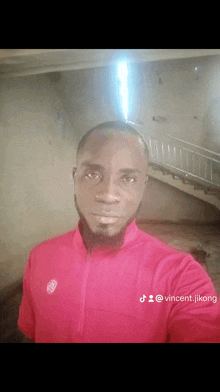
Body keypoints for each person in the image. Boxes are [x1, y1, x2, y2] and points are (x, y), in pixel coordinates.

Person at [18, 121, 220, 343]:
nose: (108, 195)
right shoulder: (39, 258)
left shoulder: (182, 278)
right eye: (93, 174)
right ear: (74, 179)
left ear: (143, 187)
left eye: (128, 179)